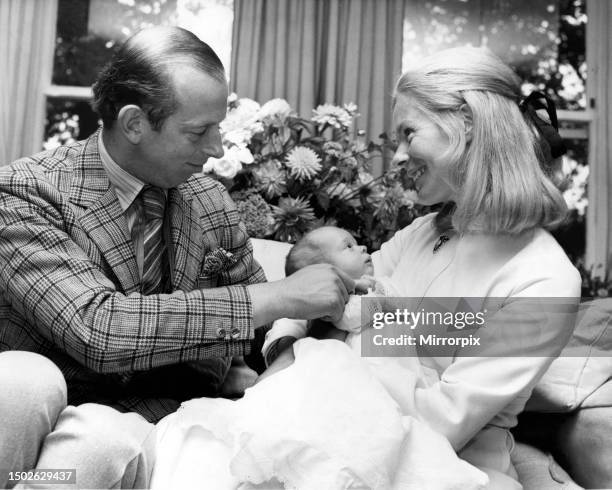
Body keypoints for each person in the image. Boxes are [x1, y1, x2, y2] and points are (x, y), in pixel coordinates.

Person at [0, 26, 353, 488]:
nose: (216, 150)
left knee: (103, 440)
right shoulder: (26, 192)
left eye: (219, 129)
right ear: (134, 124)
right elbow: (99, 329)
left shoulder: (209, 201)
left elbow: (263, 332)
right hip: (31, 433)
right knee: (27, 383)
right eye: (198, 132)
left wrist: (282, 356)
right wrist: (275, 299)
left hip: (151, 428)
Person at [252, 46, 582, 489]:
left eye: (410, 133)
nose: (400, 155)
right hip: (330, 429)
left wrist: (335, 353)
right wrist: (289, 351)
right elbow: (323, 292)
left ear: (467, 125)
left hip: (441, 469)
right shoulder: (424, 231)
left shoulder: (543, 279)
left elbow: (445, 422)